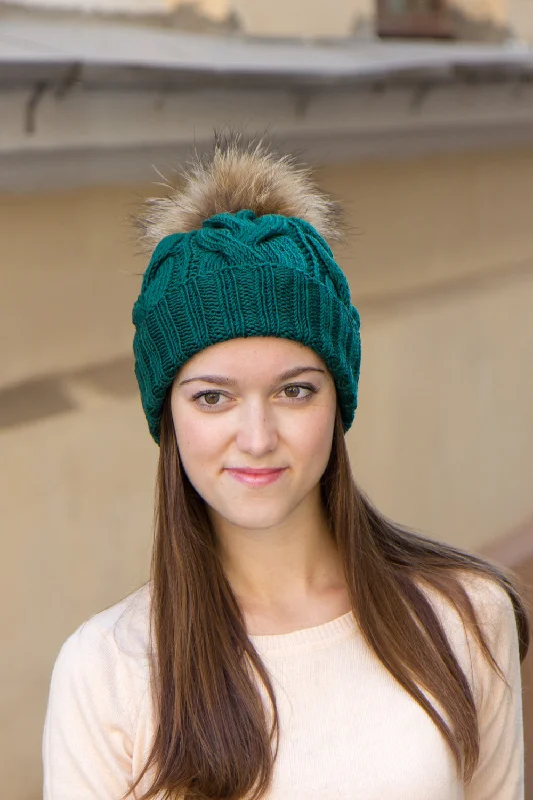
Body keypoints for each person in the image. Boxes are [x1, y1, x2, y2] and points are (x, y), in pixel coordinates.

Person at [43, 134, 529, 800]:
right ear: (169, 418)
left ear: (338, 399)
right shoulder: (106, 670)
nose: (256, 436)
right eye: (213, 397)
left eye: (293, 390)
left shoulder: (463, 618)